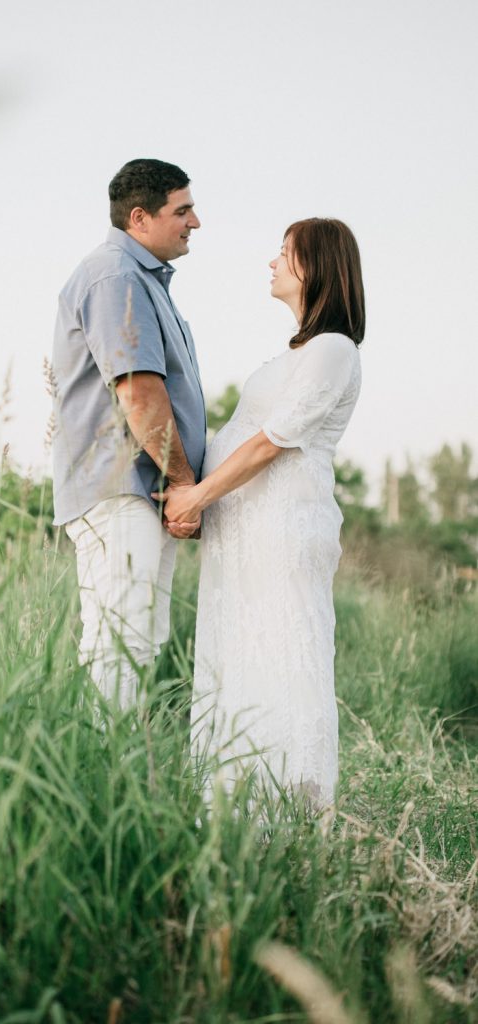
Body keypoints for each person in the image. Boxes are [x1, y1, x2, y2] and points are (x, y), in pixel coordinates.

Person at [158, 218, 365, 806]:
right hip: (249, 533)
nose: (271, 263)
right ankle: (234, 802)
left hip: (281, 530)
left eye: (284, 252)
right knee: (241, 655)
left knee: (279, 657)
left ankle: (288, 806)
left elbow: (272, 440)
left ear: (316, 266)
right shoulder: (301, 350)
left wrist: (197, 495)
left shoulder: (333, 349)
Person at [51, 159, 207, 708]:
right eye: (182, 210)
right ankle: (102, 776)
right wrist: (185, 482)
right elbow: (139, 393)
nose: (195, 222)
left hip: (143, 489)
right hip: (120, 489)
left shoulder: (141, 279)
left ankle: (117, 776)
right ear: (139, 218)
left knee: (139, 639)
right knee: (122, 639)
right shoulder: (116, 276)